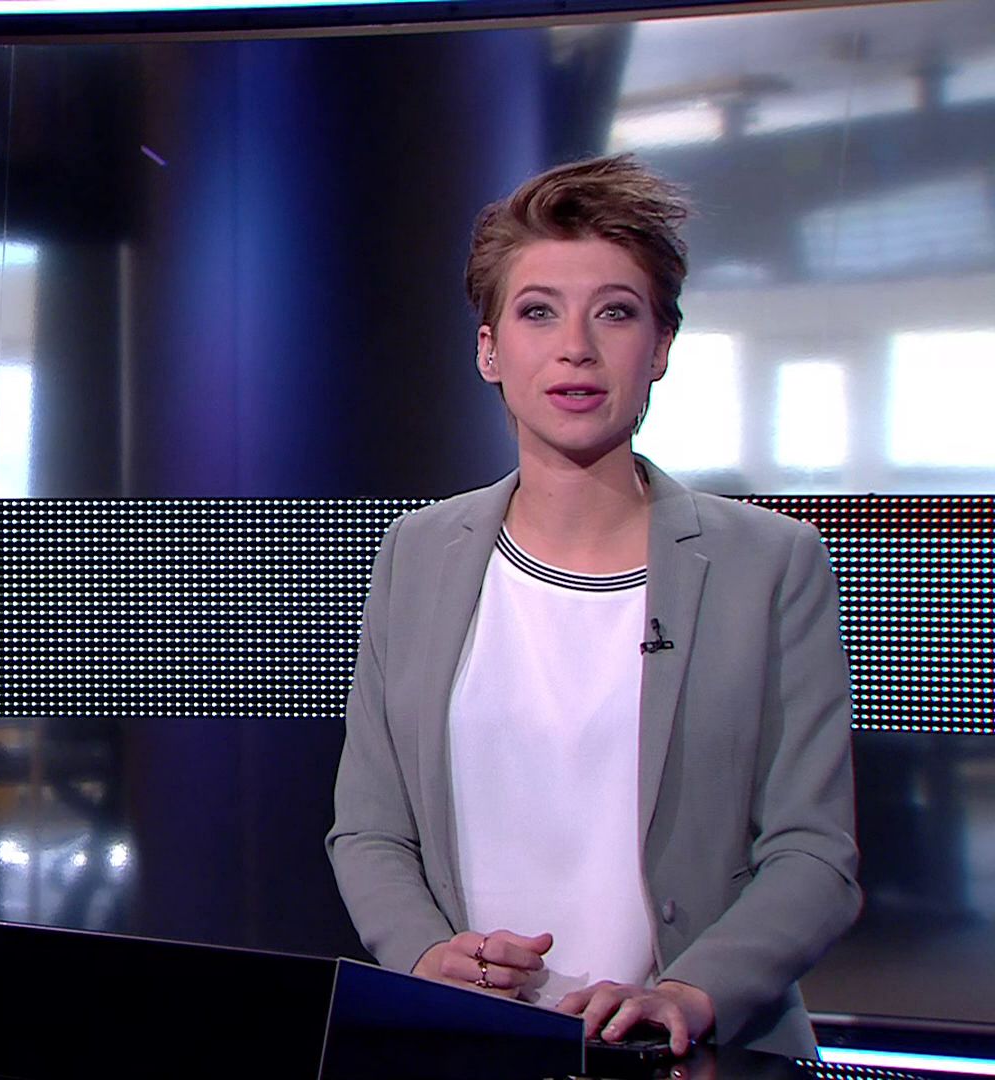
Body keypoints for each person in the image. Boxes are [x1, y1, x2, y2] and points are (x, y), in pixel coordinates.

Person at [324, 155, 860, 1060]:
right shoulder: (417, 552)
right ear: (489, 349)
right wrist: (423, 956)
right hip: (472, 1048)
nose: (575, 346)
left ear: (661, 348)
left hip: (696, 1057)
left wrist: (689, 991)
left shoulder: (770, 563)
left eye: (614, 312)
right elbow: (370, 827)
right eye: (538, 312)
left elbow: (815, 854)